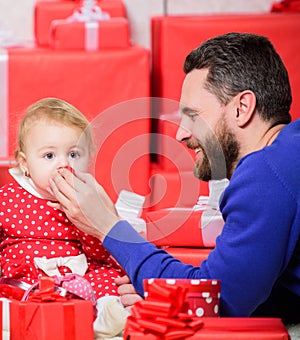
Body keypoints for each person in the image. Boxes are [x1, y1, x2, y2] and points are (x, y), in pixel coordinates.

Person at [48, 33, 300, 324]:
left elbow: (215, 299)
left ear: (241, 108)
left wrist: (109, 227)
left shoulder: (265, 174)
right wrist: (162, 290)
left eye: (192, 116)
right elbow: (255, 286)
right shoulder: (288, 153)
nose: (181, 133)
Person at [0, 97, 128, 338]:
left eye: (73, 154)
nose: (63, 164)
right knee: (9, 291)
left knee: (110, 277)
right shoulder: (8, 198)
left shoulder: (88, 196)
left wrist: (85, 212)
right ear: (25, 164)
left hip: (80, 278)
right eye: (49, 156)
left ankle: (104, 317)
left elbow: (100, 252)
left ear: (88, 158)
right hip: (28, 279)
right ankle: (13, 317)